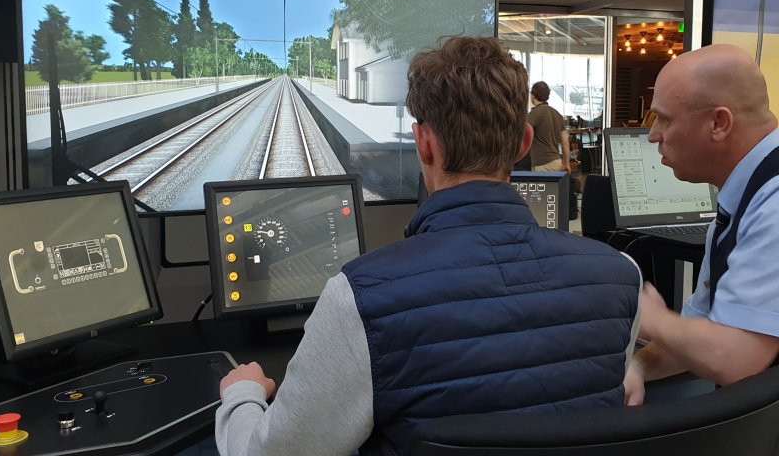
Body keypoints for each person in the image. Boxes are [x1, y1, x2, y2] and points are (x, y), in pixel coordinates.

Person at [216, 37, 642, 456]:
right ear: (524, 144)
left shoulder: (360, 299)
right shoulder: (621, 277)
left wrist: (243, 395)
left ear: (424, 143)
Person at [624, 44, 779, 406]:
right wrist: (640, 367)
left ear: (718, 123)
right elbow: (703, 335)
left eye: (664, 119)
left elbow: (735, 357)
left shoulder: (773, 204)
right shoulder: (739, 202)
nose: (653, 136)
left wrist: (654, 319)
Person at [527, 81, 571, 172]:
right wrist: (566, 164)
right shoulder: (557, 114)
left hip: (541, 165)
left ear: (533, 96)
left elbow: (522, 134)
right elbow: (565, 143)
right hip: (557, 163)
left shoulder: (533, 114)